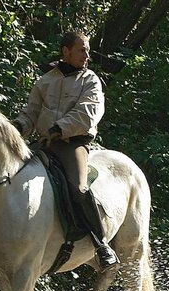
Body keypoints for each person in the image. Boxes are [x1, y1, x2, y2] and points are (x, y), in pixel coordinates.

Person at [12, 31, 119, 271]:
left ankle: (101, 245)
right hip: (45, 144)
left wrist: (60, 129)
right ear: (66, 51)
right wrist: (19, 125)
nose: (87, 55)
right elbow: (31, 113)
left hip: (73, 144)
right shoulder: (45, 81)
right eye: (82, 50)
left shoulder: (90, 80)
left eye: (87, 50)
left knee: (79, 188)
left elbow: (88, 113)